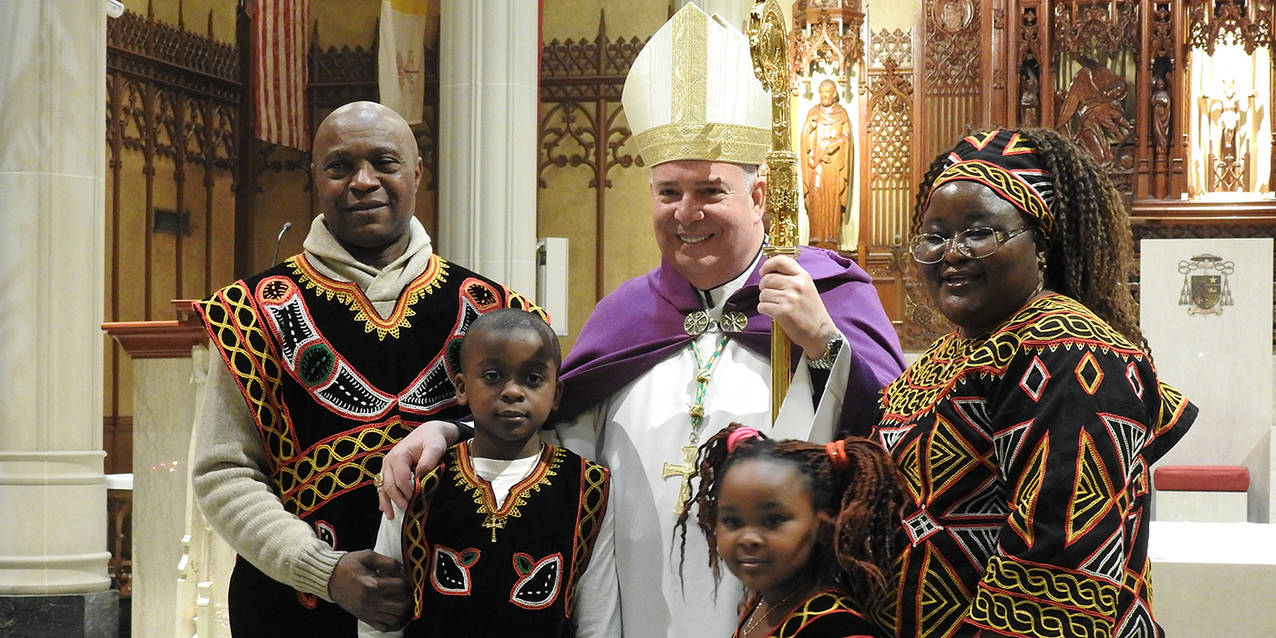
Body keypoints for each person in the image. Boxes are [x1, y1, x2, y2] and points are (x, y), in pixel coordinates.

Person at [379, 5, 906, 636]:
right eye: (668, 192)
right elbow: (551, 435)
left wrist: (824, 346)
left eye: (711, 191)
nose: (687, 213)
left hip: (782, 614)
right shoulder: (626, 317)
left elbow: (895, 449)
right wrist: (453, 431)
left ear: (758, 197)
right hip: (634, 605)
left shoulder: (827, 297)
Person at [191, 100, 544, 636]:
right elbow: (224, 472)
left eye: (385, 162)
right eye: (339, 166)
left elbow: (547, 445)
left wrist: (453, 429)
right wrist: (324, 572)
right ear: (315, 178)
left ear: (418, 173)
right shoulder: (250, 311)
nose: (363, 181)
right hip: (293, 609)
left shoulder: (493, 312)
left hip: (462, 603)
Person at [863, 128, 1196, 638]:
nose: (952, 253)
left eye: (979, 232)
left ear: (1040, 244)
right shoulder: (955, 349)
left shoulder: (1068, 351)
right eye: (934, 235)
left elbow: (1056, 567)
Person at [357, 309, 619, 637]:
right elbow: (379, 608)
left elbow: (599, 613)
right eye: (493, 376)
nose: (512, 391)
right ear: (462, 388)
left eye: (533, 378)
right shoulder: (419, 480)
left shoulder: (589, 487)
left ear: (557, 394)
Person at [675, 424, 902, 638]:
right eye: (732, 521)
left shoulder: (838, 629)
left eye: (773, 520)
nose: (748, 538)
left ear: (821, 529)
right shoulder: (761, 603)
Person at [801, 79, 853, 249]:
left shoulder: (841, 114)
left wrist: (835, 143)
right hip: (817, 164)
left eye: (828, 92)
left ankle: (832, 237)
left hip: (834, 165)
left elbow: (846, 138)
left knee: (832, 197)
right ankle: (815, 236)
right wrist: (810, 128)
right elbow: (804, 137)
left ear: (834, 94)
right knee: (815, 194)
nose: (825, 95)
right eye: (822, 92)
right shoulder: (813, 113)